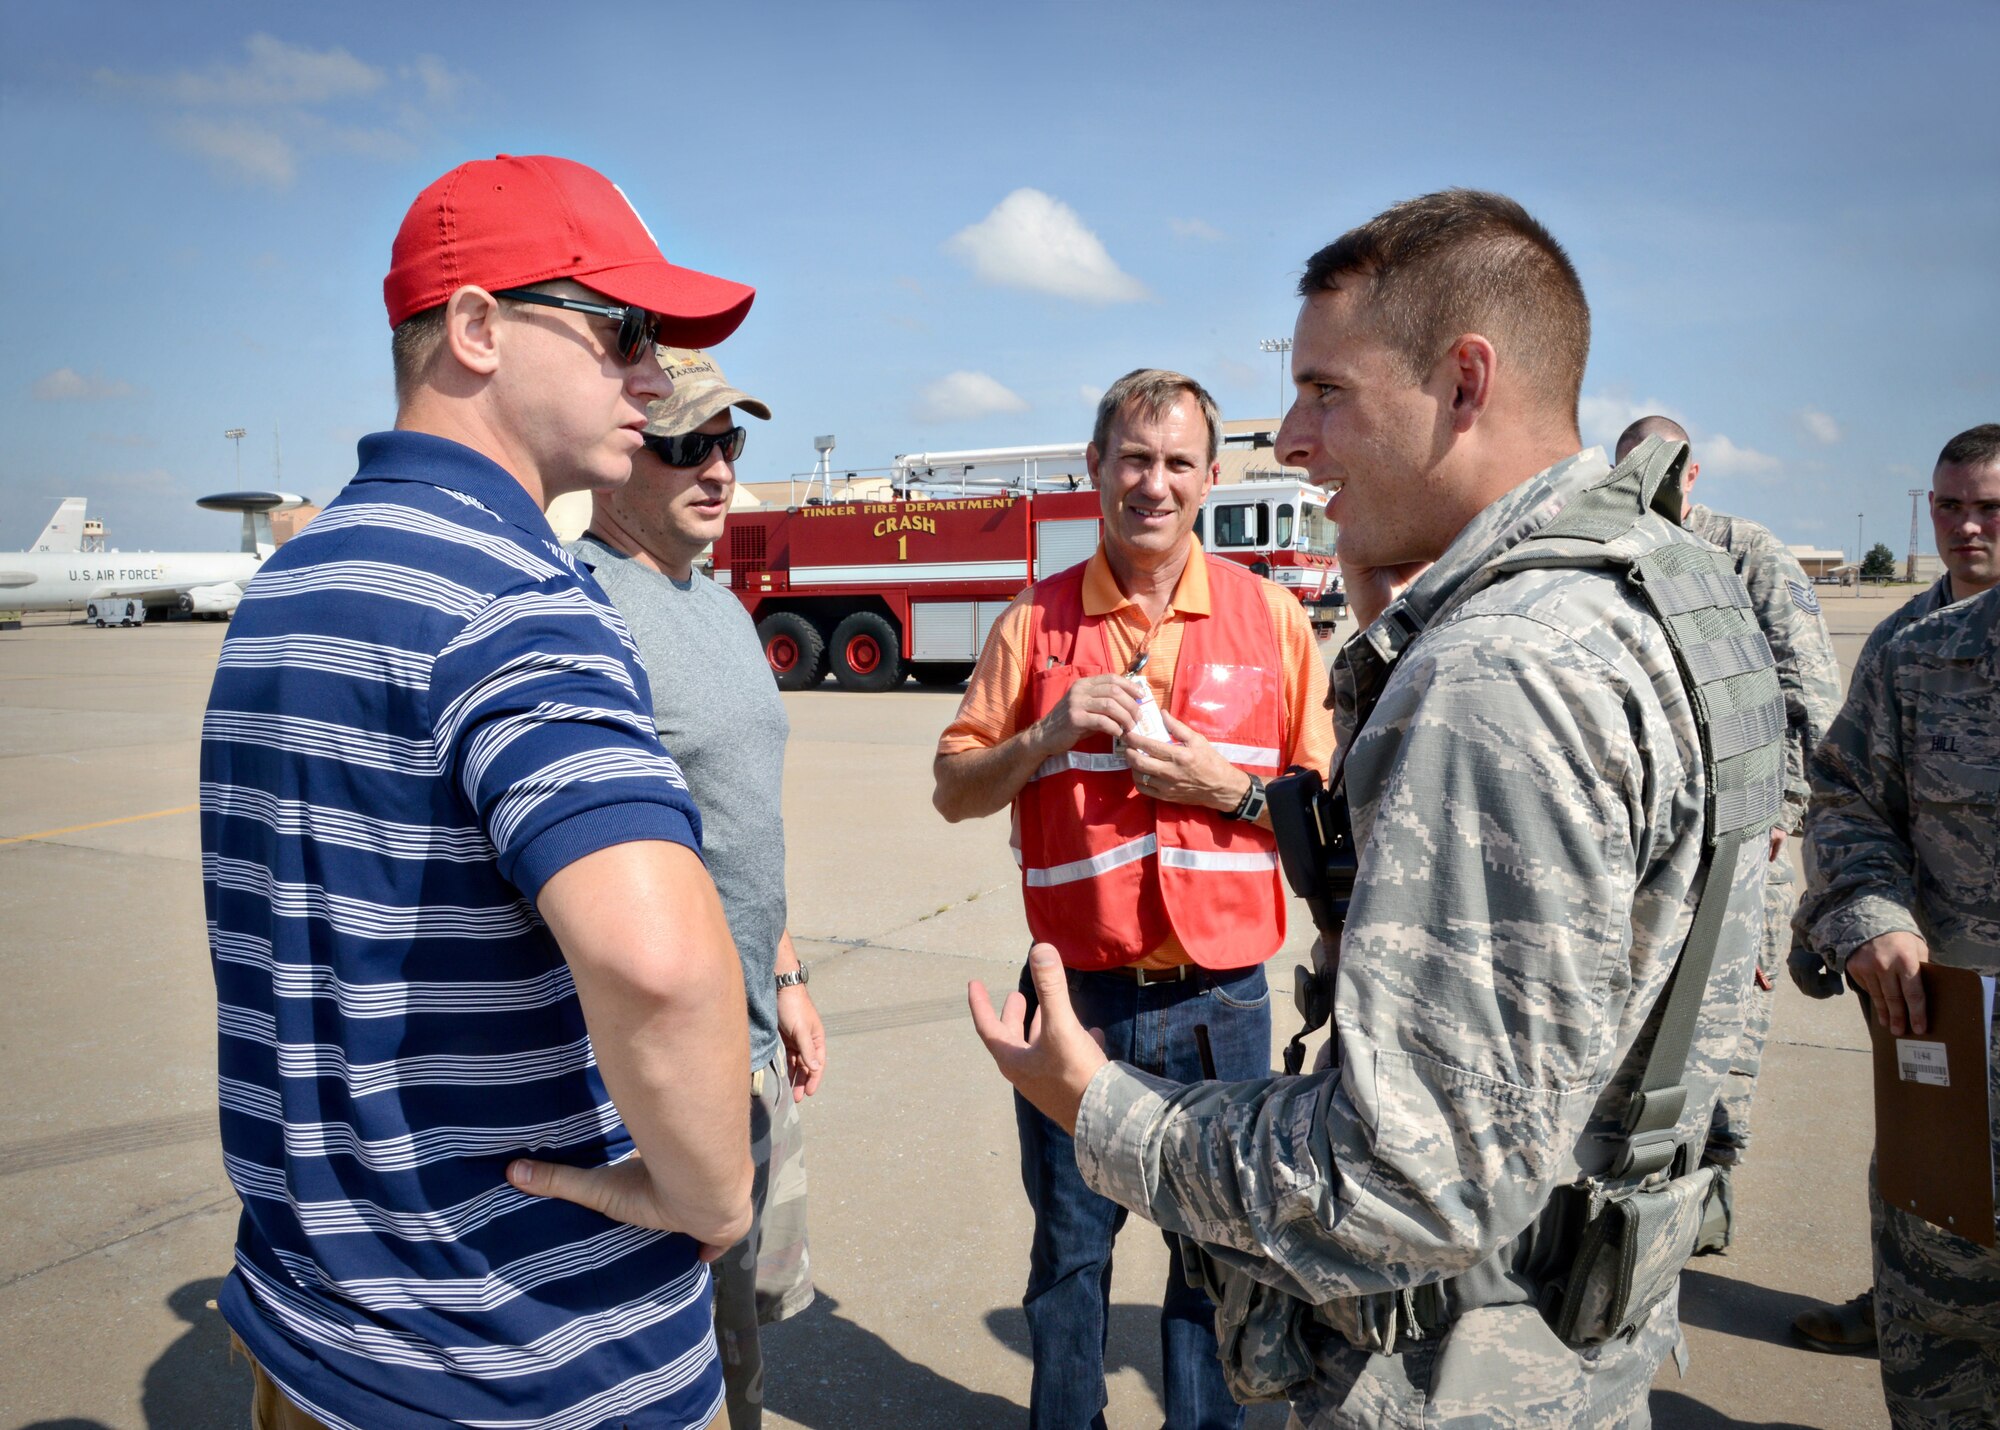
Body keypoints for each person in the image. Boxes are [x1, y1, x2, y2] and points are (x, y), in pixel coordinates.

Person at [971, 190, 1784, 1426]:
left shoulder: (1502, 667)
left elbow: (1411, 1177)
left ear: (1463, 381)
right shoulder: (1673, 598)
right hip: (1580, 1320)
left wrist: (1101, 1110)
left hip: (1456, 1359)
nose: (1290, 438)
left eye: (1324, 391)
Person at [203, 154, 759, 1430]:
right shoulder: (517, 603)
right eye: (624, 331)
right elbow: (661, 966)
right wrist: (713, 1194)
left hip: (314, 1333)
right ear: (473, 328)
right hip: (524, 1357)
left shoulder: (282, 593)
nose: (653, 377)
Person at [933, 367, 1337, 1429]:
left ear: (1208, 477)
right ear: (1093, 469)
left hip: (1223, 1002)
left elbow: (1329, 813)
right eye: (1130, 459)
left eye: (1173, 462)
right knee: (1068, 1255)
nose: (1150, 483)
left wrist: (1231, 790)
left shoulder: (1274, 621)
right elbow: (951, 789)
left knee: (1217, 1260)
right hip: (1079, 1007)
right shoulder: (1033, 624)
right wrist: (1042, 734)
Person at [569, 346, 820, 1429]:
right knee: (677, 1363)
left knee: (748, 1335)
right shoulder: (584, 608)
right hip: (666, 1066)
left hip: (756, 1037)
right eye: (687, 445)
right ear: (624, 451)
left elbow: (735, 821)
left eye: (730, 442)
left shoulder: (714, 603)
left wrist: (788, 970)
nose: (717, 469)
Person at [1789, 422, 2000, 1351]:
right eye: (1949, 506)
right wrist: (1867, 916)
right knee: (1935, 1248)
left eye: (1990, 508)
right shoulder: (1905, 648)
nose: (1966, 528)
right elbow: (1846, 797)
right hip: (1944, 1011)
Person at [1613, 415, 1841, 1251]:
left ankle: (1710, 1195)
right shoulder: (1623, 554)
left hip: (1749, 838)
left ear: (1695, 473)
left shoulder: (1745, 553)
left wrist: (1781, 813)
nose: (1652, 484)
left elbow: (1808, 692)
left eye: (1666, 470)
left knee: (1728, 1020)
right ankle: (1646, 1192)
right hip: (1663, 837)